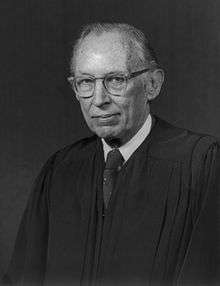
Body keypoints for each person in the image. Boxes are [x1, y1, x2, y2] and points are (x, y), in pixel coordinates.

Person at [3, 23, 220, 286]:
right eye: (85, 82)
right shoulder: (60, 170)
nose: (99, 99)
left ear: (152, 84)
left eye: (116, 80)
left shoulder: (201, 165)